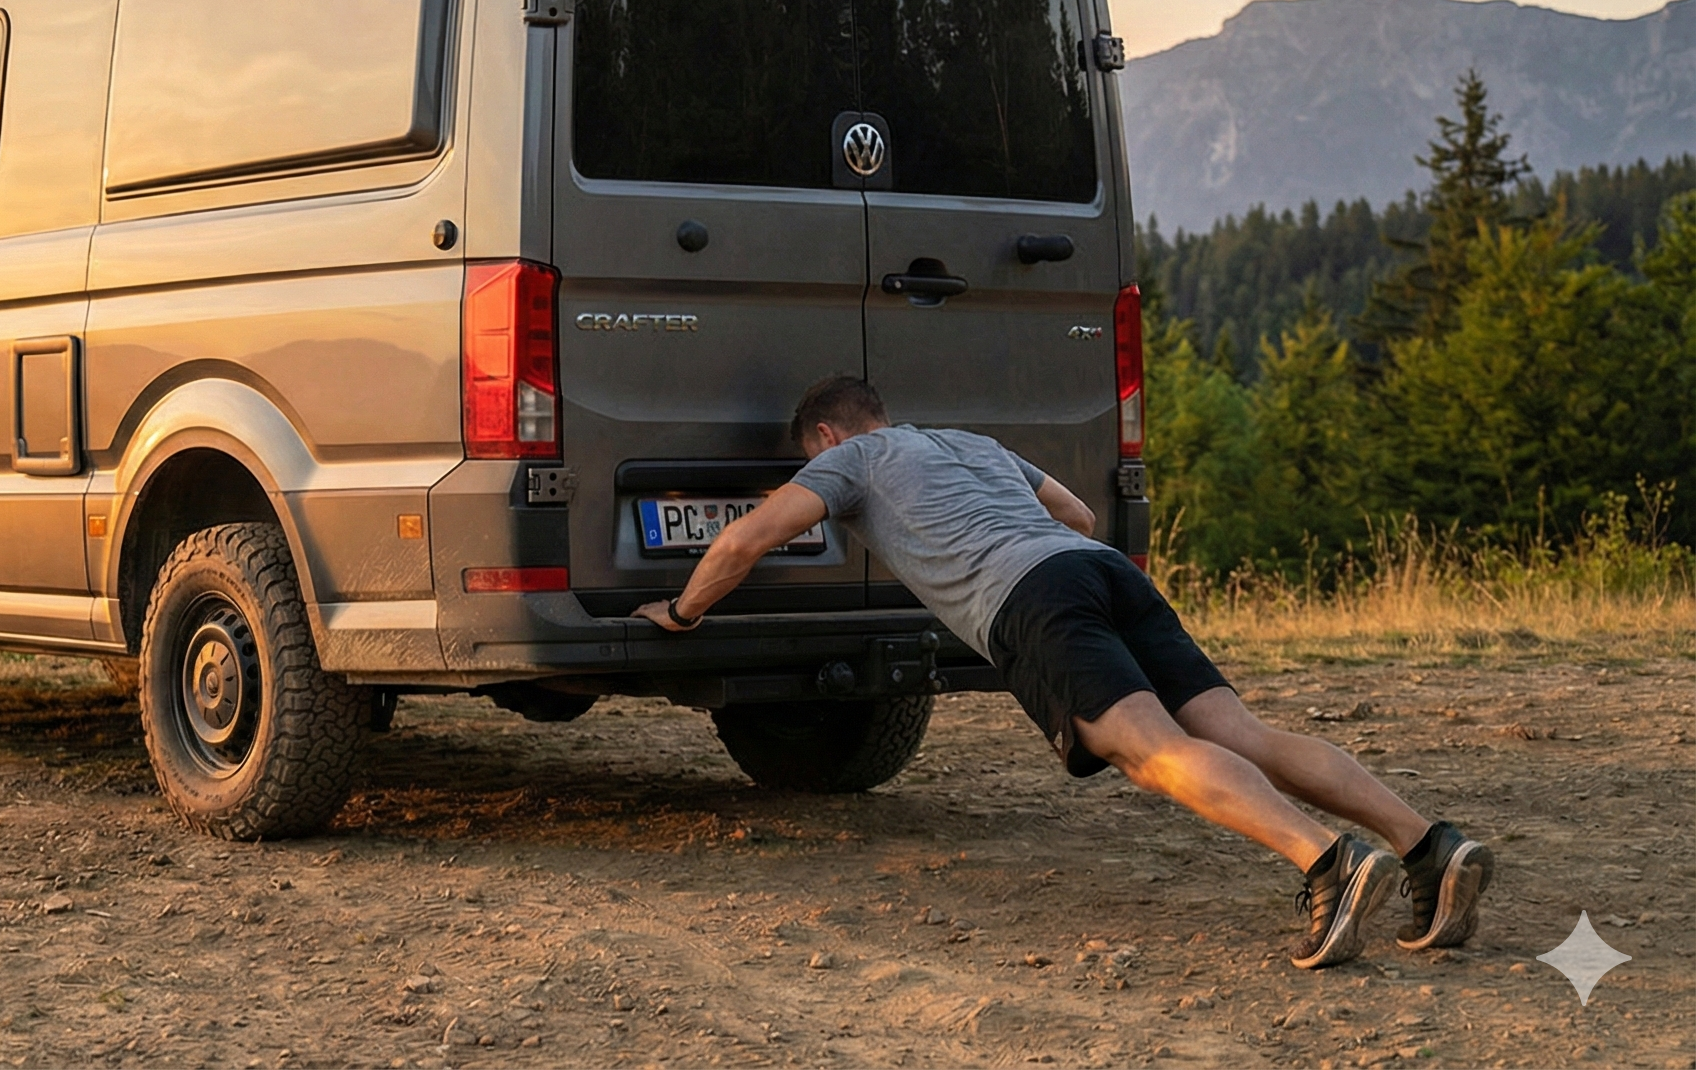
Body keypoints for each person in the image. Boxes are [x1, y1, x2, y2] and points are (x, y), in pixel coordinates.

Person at [631, 374, 1494, 969]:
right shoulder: (971, 443)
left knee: (1151, 755)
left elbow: (745, 539)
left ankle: (1326, 863)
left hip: (1032, 600)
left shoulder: (848, 461)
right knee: (1242, 733)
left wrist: (679, 613)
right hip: (1101, 568)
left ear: (825, 434)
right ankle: (1429, 847)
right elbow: (1078, 512)